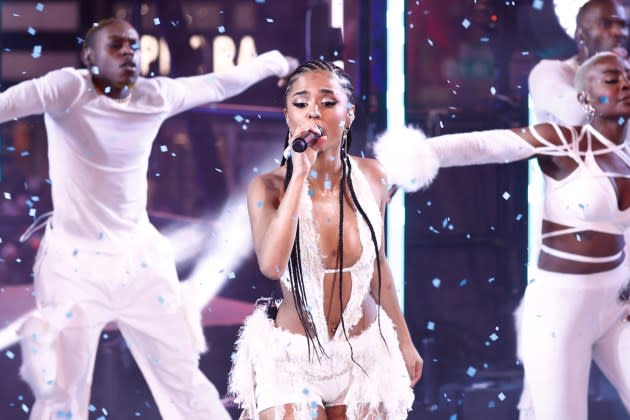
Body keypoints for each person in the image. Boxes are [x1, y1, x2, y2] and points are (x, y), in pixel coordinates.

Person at [0, 17, 297, 420]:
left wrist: (274, 62)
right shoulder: (67, 88)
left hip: (140, 263)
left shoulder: (153, 95)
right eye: (116, 46)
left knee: (184, 381)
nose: (128, 53)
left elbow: (217, 83)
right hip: (73, 267)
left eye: (134, 46)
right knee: (61, 393)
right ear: (89, 56)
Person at [374, 51, 630, 420]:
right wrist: (413, 157)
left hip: (615, 305)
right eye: (611, 79)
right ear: (583, 98)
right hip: (561, 310)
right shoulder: (563, 141)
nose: (624, 84)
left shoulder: (624, 156)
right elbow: (484, 145)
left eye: (627, 77)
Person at [229, 59, 422, 420]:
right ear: (288, 117)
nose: (313, 113)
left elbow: (377, 265)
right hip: (292, 359)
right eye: (301, 104)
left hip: (364, 354)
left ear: (348, 114)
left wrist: (404, 339)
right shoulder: (268, 187)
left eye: (328, 102)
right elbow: (271, 266)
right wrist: (299, 173)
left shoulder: (374, 176)